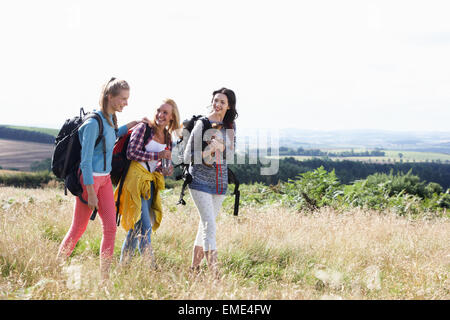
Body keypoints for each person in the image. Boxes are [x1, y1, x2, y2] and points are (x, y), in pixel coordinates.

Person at [57, 78, 149, 280]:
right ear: (110, 97)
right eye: (123, 98)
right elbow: (86, 162)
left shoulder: (109, 119)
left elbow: (113, 135)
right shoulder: (92, 124)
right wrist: (90, 192)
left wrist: (132, 124)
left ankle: (104, 278)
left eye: (127, 99)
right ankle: (57, 267)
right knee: (78, 229)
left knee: (110, 228)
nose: (126, 102)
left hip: (105, 180)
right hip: (88, 182)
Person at [116, 98, 181, 267]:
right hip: (134, 181)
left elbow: (159, 165)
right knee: (144, 227)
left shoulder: (167, 138)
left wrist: (165, 169)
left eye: (165, 112)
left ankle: (123, 267)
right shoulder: (144, 128)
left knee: (135, 228)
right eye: (159, 110)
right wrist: (157, 156)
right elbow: (132, 153)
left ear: (172, 117)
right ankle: (151, 267)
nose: (160, 115)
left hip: (150, 183)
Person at [183, 87, 238, 275]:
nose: (218, 104)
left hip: (220, 183)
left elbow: (230, 155)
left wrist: (221, 146)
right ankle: (215, 275)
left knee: (205, 225)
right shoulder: (202, 124)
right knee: (209, 226)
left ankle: (194, 269)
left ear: (229, 106)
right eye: (216, 100)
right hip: (199, 180)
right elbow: (186, 156)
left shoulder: (230, 126)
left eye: (222, 102)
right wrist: (208, 151)